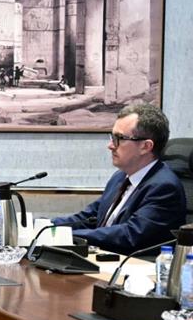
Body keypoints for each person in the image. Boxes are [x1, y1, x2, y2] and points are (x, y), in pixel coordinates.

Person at [51, 103, 185, 255]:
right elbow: (89, 217)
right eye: (112, 137)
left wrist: (66, 236)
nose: (110, 145)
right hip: (105, 260)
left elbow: (129, 235)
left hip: (136, 266)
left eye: (119, 138)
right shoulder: (120, 177)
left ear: (146, 146)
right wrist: (47, 227)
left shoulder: (164, 187)